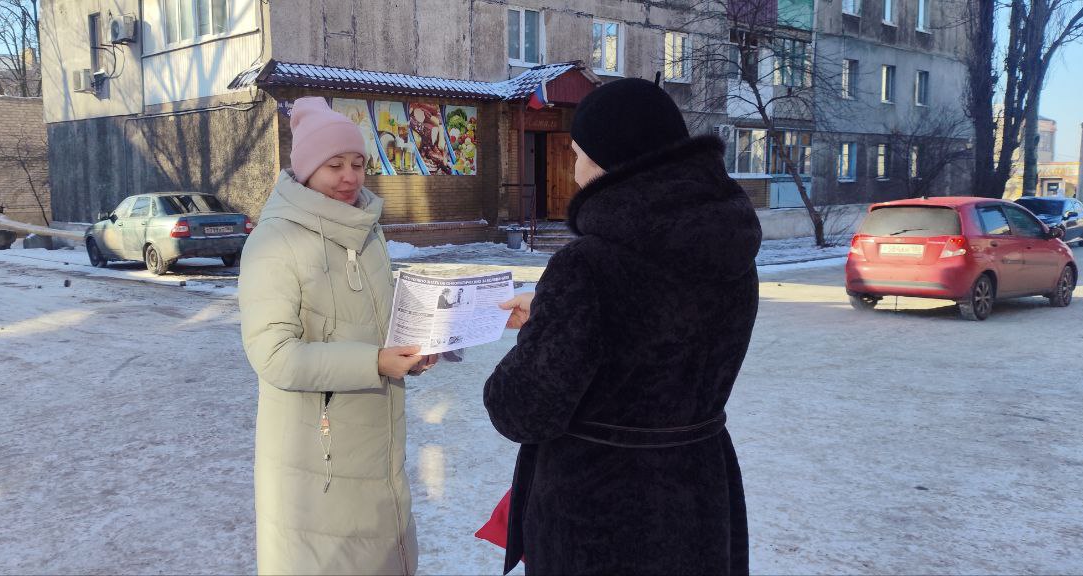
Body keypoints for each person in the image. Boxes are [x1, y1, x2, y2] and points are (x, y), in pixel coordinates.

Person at [484, 78, 761, 575]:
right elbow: (659, 332)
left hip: (599, 516)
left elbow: (521, 409)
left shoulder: (588, 266)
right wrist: (554, 315)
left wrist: (546, 325)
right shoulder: (731, 251)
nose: (574, 172)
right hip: (700, 496)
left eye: (576, 155)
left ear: (606, 161)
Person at [238, 97, 436, 575]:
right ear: (307, 169)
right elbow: (274, 356)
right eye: (334, 165)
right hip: (316, 462)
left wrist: (416, 347)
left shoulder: (366, 231)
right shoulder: (275, 241)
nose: (350, 177)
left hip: (377, 447)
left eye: (358, 164)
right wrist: (375, 363)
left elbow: (379, 324)